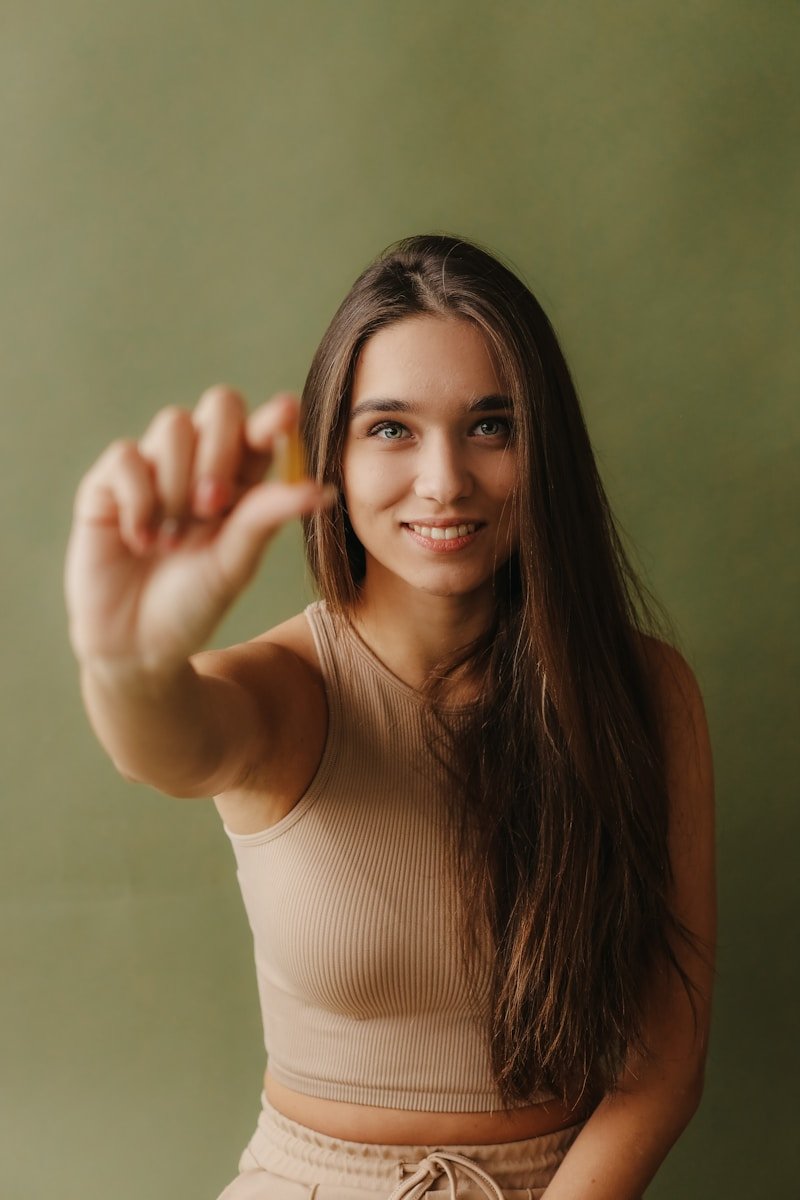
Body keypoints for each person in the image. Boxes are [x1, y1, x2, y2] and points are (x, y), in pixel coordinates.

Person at [64, 234, 716, 1200]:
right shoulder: (289, 691)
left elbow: (663, 1066)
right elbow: (170, 740)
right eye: (392, 430)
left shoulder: (645, 691)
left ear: (547, 447)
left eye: (492, 426)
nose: (445, 480)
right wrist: (123, 662)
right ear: (330, 450)